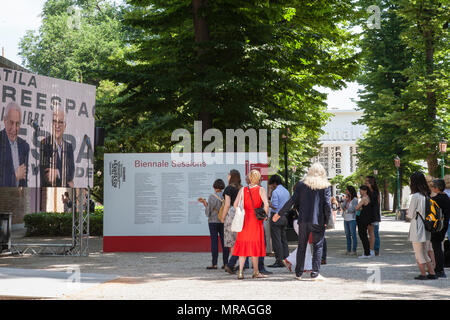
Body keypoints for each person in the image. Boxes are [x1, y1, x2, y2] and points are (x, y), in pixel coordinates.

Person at [273, 163, 331, 281]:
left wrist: (279, 213)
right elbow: (327, 205)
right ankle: (315, 273)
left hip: (303, 220)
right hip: (318, 220)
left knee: (302, 246)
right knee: (318, 246)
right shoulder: (325, 186)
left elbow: (292, 201)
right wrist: (326, 220)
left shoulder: (301, 185)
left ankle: (298, 273)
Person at [232, 169, 269, 279]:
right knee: (254, 247)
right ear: (258, 178)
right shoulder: (261, 189)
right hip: (256, 220)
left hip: (244, 220)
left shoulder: (242, 189)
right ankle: (256, 272)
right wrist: (264, 216)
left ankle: (240, 272)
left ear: (249, 178)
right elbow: (266, 204)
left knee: (243, 246)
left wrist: (241, 212)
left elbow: (235, 205)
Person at [407, 172, 437, 280]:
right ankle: (432, 272)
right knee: (424, 251)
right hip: (427, 226)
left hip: (417, 226)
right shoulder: (426, 195)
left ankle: (423, 273)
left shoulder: (415, 196)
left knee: (418, 251)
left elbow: (410, 214)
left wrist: (408, 213)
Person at [40, 105, 75, 187]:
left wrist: (57, 172)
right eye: (55, 121)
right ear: (51, 124)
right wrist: (68, 184)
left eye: (60, 122)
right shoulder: (44, 144)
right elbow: (48, 177)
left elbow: (71, 173)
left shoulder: (69, 147)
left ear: (65, 126)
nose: (57, 125)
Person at [198, 178, 229, 270]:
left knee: (214, 242)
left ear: (214, 186)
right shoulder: (225, 196)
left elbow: (208, 212)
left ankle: (214, 264)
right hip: (223, 221)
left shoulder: (212, 196)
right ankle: (226, 263)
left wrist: (205, 203)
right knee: (225, 243)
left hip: (213, 221)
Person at [0, 102, 30, 187]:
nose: (14, 129)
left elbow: (24, 182)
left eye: (17, 124)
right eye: (11, 123)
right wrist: (15, 176)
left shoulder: (24, 146)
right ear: (5, 121)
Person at [267, 174, 290, 268]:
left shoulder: (276, 192)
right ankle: (286, 258)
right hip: (284, 216)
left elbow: (275, 206)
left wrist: (268, 203)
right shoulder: (286, 191)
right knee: (283, 239)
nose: (271, 186)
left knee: (276, 240)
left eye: (271, 184)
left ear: (275, 183)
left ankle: (279, 260)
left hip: (276, 216)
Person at [222, 169, 243, 274]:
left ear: (231, 176)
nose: (227, 176)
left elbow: (227, 204)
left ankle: (232, 264)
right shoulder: (242, 188)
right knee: (239, 240)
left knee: (232, 242)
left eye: (228, 175)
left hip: (231, 215)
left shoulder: (228, 188)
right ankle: (238, 264)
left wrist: (222, 217)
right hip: (240, 215)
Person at [430, 179, 450, 278]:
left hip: (438, 225)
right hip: (444, 224)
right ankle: (439, 268)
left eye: (432, 186)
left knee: (437, 247)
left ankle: (439, 269)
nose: (431, 188)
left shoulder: (436, 199)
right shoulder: (446, 197)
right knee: (438, 247)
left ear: (437, 188)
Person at [356, 185, 373, 259]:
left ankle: (367, 253)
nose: (360, 191)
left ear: (365, 191)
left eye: (361, 190)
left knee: (362, 235)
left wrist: (359, 207)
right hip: (367, 218)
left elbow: (356, 207)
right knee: (364, 235)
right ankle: (367, 252)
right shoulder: (369, 197)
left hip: (362, 219)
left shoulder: (364, 198)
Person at [366, 176, 381, 256]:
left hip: (374, 215)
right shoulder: (368, 192)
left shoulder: (375, 192)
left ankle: (376, 249)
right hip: (369, 215)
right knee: (370, 233)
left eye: (367, 182)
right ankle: (371, 248)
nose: (365, 183)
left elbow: (375, 204)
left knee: (375, 233)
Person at [343, 186, 358, 255]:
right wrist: (346, 200)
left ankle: (354, 250)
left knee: (353, 235)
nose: (345, 191)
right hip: (346, 219)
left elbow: (354, 209)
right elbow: (342, 206)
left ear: (350, 191)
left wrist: (347, 210)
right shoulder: (347, 199)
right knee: (347, 235)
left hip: (352, 219)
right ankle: (348, 250)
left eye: (347, 190)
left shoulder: (355, 199)